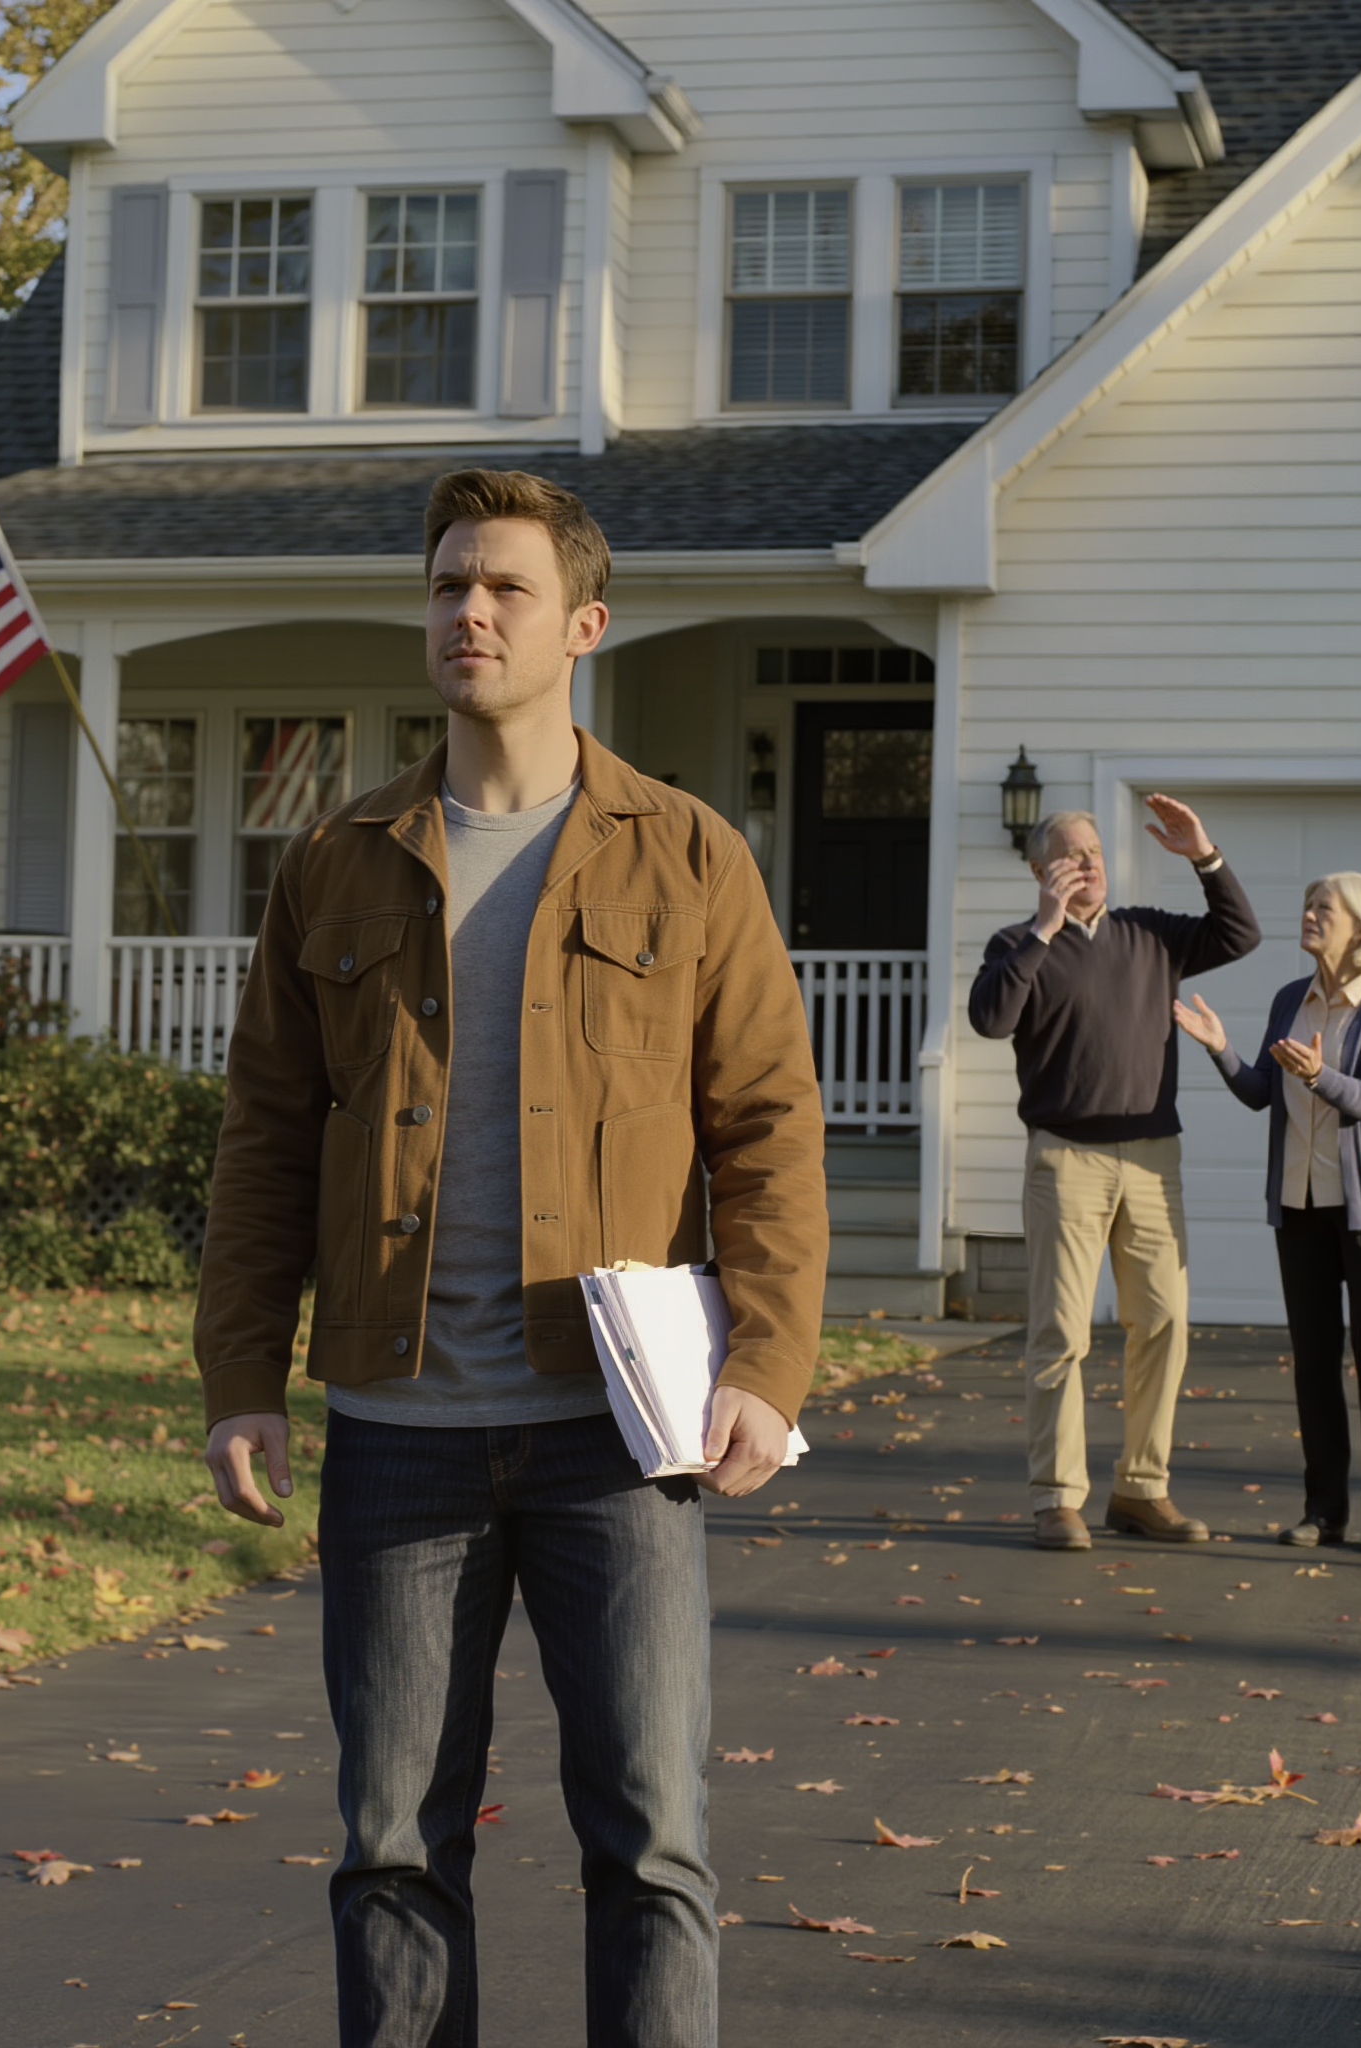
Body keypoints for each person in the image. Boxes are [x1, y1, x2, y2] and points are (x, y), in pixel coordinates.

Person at [193, 467, 828, 2048]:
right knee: (395, 1843)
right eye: (445, 584)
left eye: (504, 589)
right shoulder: (337, 861)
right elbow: (266, 1138)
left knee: (650, 1839)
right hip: (396, 1436)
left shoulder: (688, 858)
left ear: (584, 626)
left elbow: (768, 1134)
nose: (465, 611)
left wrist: (766, 1365)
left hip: (614, 1435)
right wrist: (239, 1378)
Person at [969, 801, 1260, 1551]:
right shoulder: (1016, 945)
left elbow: (1239, 934)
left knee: (1162, 1324)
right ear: (1041, 871)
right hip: (1066, 1157)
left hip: (1154, 1156)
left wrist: (1205, 856)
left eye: (1094, 851)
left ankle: (1142, 1490)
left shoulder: (1150, 935)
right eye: (1069, 855)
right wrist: (1043, 926)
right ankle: (1057, 1498)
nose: (1088, 864)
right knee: (1061, 1332)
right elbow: (992, 1019)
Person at [1174, 871, 1361, 1556]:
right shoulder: (1292, 999)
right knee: (1313, 1360)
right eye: (1307, 905)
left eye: (1323, 909)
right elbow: (1261, 1091)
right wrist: (1219, 1048)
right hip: (1301, 1200)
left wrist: (1317, 1076)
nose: (1308, 915)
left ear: (1360, 929)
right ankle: (1323, 1511)